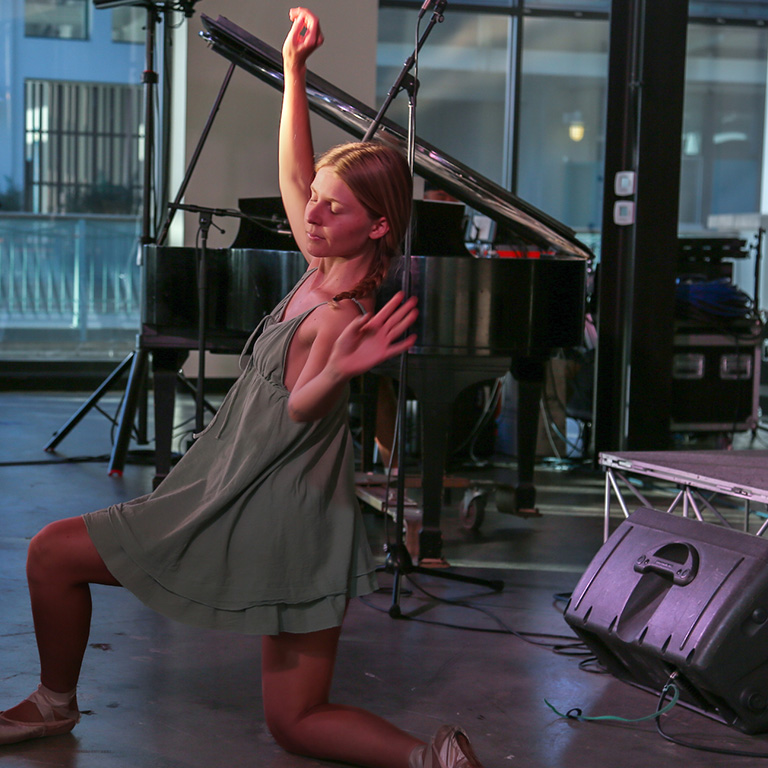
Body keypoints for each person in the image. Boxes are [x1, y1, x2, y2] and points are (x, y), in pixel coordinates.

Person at [0, 7, 485, 768]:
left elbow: (299, 408)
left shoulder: (336, 313)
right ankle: (435, 761)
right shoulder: (323, 263)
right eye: (318, 200)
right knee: (296, 721)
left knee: (50, 555)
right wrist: (293, 74)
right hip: (295, 513)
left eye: (335, 207)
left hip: (264, 502)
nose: (313, 214)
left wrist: (338, 373)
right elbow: (295, 172)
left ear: (380, 226)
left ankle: (54, 706)